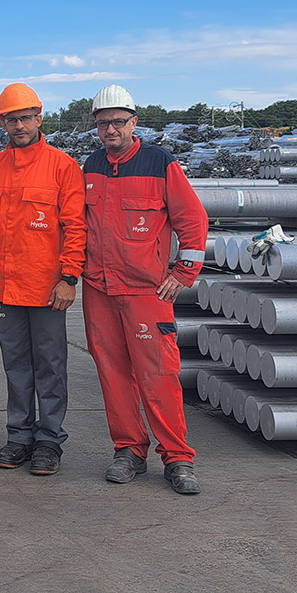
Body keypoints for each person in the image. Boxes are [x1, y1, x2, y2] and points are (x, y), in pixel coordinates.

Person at [81, 85, 208, 495]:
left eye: (119, 122)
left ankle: (177, 457)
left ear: (134, 123)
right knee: (112, 372)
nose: (111, 130)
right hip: (99, 288)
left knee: (158, 373)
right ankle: (129, 450)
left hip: (145, 291)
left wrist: (184, 271)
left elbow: (193, 219)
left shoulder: (160, 163)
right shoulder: (92, 166)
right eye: (104, 124)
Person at [0, 83, 85, 477]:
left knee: (51, 365)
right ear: (3, 124)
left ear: (39, 118)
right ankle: (20, 435)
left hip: (47, 289)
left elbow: (76, 227)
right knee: (16, 366)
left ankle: (49, 439)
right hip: (5, 288)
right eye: (12, 119)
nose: (19, 125)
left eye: (25, 117)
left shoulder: (62, 167)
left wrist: (69, 277)